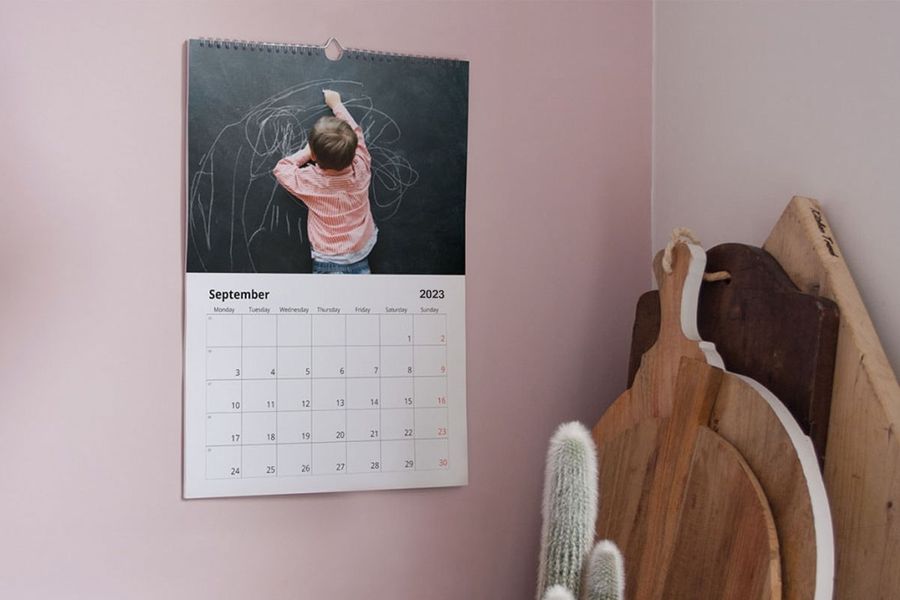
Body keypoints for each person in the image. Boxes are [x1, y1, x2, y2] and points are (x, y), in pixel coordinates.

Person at [273, 89, 377, 274]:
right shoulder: (361, 167)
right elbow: (357, 135)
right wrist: (337, 105)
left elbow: (281, 169)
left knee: (327, 303)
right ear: (353, 152)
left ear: (314, 155)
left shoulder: (311, 181)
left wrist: (307, 153)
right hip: (361, 252)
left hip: (328, 260)